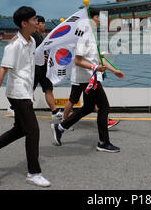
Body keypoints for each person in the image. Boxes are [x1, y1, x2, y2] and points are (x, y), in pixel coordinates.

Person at [0, 6, 51, 188]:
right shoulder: (13, 45)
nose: (36, 23)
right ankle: (34, 172)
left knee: (21, 129)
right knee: (33, 131)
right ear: (24, 23)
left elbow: (31, 64)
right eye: (34, 20)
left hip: (26, 91)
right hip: (17, 93)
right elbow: (2, 71)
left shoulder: (31, 41)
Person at [51, 10, 124, 152]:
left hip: (90, 78)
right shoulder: (84, 36)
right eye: (97, 18)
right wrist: (95, 67)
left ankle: (60, 127)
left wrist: (114, 70)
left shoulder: (92, 36)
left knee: (88, 107)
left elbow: (99, 58)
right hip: (86, 79)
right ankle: (103, 142)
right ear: (90, 18)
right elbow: (78, 61)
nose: (99, 21)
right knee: (104, 107)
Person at [32, 15, 58, 121]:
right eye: (43, 23)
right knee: (29, 90)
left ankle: (55, 111)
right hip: (35, 69)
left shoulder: (40, 36)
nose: (44, 25)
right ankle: (15, 108)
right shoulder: (32, 36)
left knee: (48, 89)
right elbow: (28, 51)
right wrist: (39, 56)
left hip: (43, 68)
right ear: (38, 24)